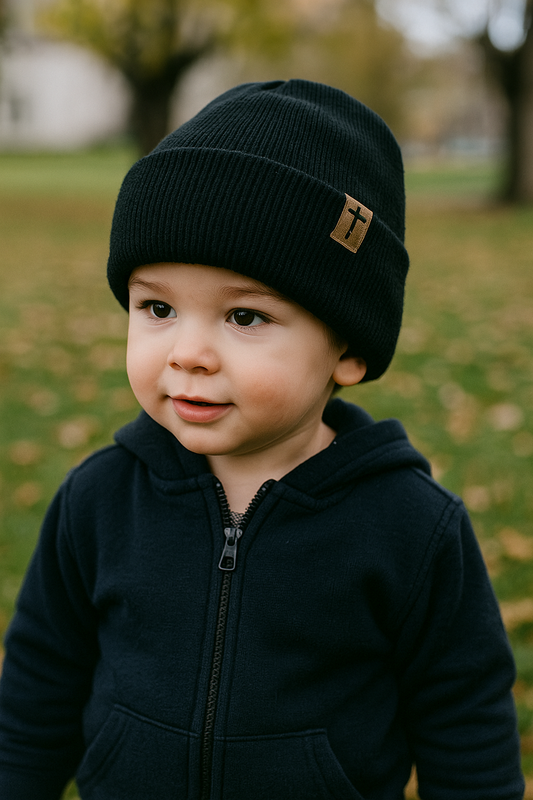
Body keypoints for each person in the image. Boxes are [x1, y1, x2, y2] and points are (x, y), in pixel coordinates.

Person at [0, 80, 524, 800]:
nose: (187, 352)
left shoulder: (410, 528)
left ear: (348, 350)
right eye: (157, 307)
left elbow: (464, 723)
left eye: (243, 318)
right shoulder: (99, 499)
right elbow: (37, 687)